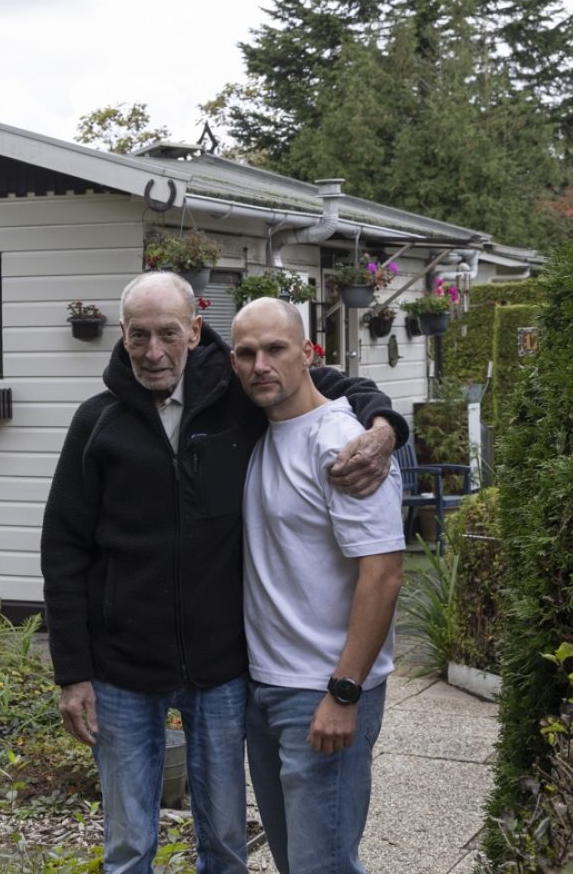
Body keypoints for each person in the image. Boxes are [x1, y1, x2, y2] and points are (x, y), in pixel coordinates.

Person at [41, 272, 408, 873]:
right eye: (139, 335)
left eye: (167, 333)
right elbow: (62, 549)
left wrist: (386, 427)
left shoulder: (239, 400)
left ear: (193, 332)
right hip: (125, 668)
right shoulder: (97, 423)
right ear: (123, 336)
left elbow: (335, 387)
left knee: (230, 847)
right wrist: (73, 671)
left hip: (221, 672)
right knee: (129, 847)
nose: (153, 351)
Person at [230, 298, 407, 874]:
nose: (261, 364)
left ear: (308, 354)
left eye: (276, 349)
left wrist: (344, 692)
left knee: (321, 865)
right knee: (297, 863)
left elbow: (383, 573)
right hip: (267, 689)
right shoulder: (263, 428)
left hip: (323, 694)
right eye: (247, 353)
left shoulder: (342, 444)